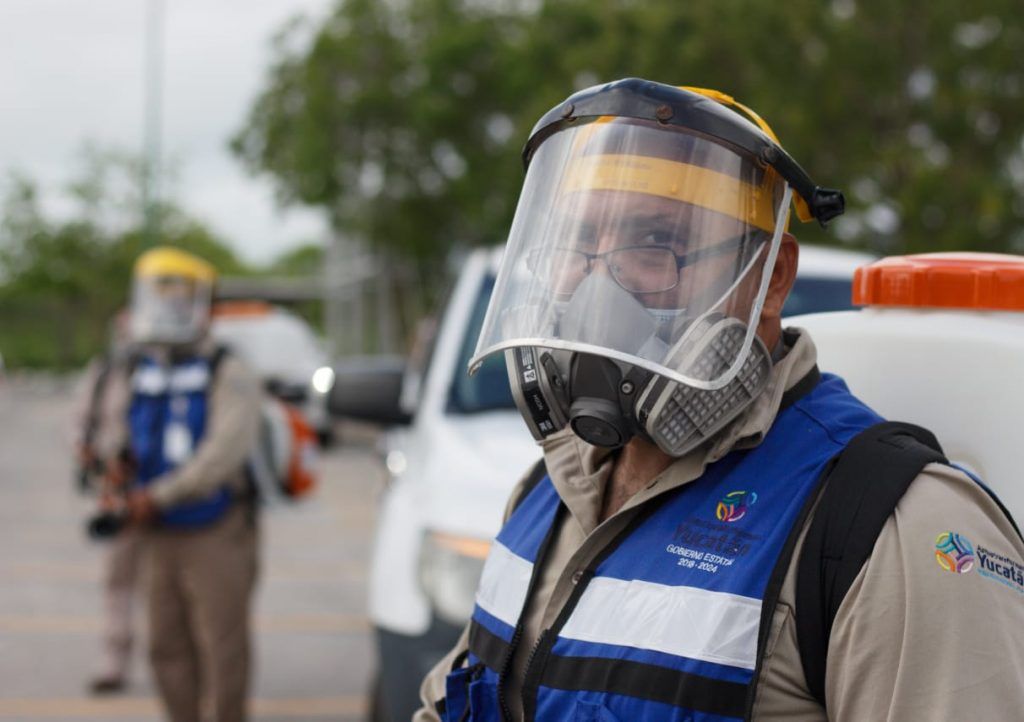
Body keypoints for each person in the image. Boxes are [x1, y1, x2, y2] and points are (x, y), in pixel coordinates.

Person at [415, 79, 1024, 721]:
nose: (596, 290)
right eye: (573, 248)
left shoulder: (892, 526)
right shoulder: (549, 488)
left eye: (653, 247)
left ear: (771, 277)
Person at [90, 247, 262, 722]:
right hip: (157, 531)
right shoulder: (140, 366)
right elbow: (119, 431)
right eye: (158, 294)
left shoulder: (229, 369)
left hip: (216, 528)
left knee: (221, 645)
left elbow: (222, 456)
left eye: (178, 295)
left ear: (204, 303)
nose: (167, 307)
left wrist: (157, 495)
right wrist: (116, 469)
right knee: (165, 644)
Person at [72, 309, 143, 694]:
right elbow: (79, 422)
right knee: (117, 580)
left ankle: (179, 662)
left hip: (165, 498)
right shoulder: (103, 372)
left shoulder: (173, 371)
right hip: (117, 496)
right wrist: (91, 454)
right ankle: (114, 660)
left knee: (172, 586)